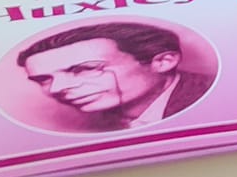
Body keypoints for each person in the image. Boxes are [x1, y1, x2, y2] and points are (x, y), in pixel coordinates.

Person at [15, 21, 213, 128]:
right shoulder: (95, 122)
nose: (57, 88)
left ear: (162, 62)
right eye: (43, 79)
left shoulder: (213, 101)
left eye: (85, 69)